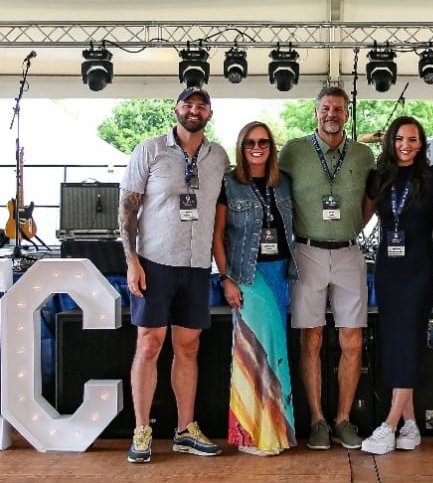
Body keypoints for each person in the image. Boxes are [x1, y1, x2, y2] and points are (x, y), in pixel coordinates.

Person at [119, 86, 230, 463]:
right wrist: (131, 260)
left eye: (202, 106)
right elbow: (127, 209)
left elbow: (220, 211)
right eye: (188, 104)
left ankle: (185, 430)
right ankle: (142, 429)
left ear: (209, 115)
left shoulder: (218, 157)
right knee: (149, 345)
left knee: (189, 348)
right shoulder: (149, 150)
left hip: (197, 266)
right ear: (176, 109)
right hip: (154, 263)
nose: (194, 110)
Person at [278, 86, 375, 450]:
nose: (331, 114)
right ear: (315, 112)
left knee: (352, 339)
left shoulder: (364, 154)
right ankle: (318, 420)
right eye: (325, 108)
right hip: (307, 251)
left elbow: (371, 199)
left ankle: (343, 420)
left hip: (350, 253)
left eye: (338, 109)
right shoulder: (294, 151)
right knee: (312, 338)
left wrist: (350, 228)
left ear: (347, 115)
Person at [360, 116, 433, 455]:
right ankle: (411, 426)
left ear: (422, 143)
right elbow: (362, 218)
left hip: (420, 265)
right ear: (390, 142)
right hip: (388, 267)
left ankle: (389, 424)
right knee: (395, 341)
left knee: (410, 339)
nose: (405, 144)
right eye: (399, 138)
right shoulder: (379, 177)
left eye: (412, 139)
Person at [212, 121, 298, 456]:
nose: (256, 148)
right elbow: (217, 236)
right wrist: (226, 279)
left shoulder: (284, 184)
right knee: (251, 353)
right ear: (241, 147)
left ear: (271, 147)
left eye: (263, 142)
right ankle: (252, 434)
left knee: (277, 351)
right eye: (250, 143)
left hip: (279, 273)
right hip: (247, 277)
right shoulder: (229, 184)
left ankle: (277, 431)